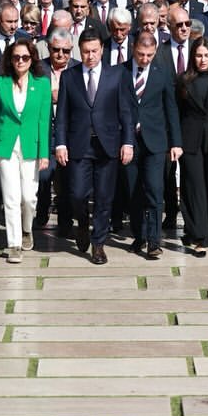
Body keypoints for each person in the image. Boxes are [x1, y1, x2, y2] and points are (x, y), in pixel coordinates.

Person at [54, 27, 136, 265]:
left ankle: (98, 243)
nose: (90, 56)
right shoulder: (70, 76)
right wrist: (60, 143)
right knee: (77, 194)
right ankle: (82, 224)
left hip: (108, 144)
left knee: (104, 197)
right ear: (80, 52)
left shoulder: (117, 75)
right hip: (79, 144)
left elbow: (126, 113)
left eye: (95, 51)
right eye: (86, 52)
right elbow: (62, 115)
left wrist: (128, 142)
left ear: (102, 50)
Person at [0, 39, 52, 263]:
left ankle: (27, 229)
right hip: (5, 145)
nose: (20, 61)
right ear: (9, 59)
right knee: (11, 197)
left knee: (28, 197)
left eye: (25, 57)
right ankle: (14, 243)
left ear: (32, 58)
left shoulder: (42, 84)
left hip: (31, 145)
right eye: (16, 57)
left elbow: (44, 121)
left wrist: (45, 153)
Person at [123, 32, 182, 259]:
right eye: (140, 54)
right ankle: (139, 235)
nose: (145, 59)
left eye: (149, 55)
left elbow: (171, 108)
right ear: (133, 48)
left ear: (155, 51)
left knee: (155, 190)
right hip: (130, 142)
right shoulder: (121, 72)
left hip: (156, 141)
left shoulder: (163, 73)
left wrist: (175, 142)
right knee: (133, 190)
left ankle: (154, 240)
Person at [176, 37, 208, 257]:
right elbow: (176, 113)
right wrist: (175, 142)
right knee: (193, 187)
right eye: (198, 55)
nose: (203, 59)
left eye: (206, 55)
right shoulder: (183, 81)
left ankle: (198, 228)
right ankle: (200, 237)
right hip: (190, 141)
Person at [36, 27, 78, 236]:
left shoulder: (78, 69)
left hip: (70, 134)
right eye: (56, 50)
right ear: (48, 48)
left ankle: (65, 221)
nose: (60, 55)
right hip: (44, 133)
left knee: (67, 180)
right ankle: (41, 213)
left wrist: (62, 95)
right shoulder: (37, 68)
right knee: (44, 178)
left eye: (65, 51)